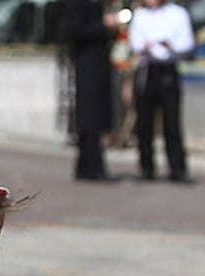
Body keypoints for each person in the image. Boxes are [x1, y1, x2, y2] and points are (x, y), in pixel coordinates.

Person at [128, 0, 195, 182]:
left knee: (171, 123)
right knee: (144, 122)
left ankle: (177, 168)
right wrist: (160, 45)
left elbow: (184, 44)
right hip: (146, 72)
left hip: (168, 72)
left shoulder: (177, 14)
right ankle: (146, 167)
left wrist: (157, 47)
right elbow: (136, 44)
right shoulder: (140, 15)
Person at [59, 0, 121, 181]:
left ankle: (89, 165)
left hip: (97, 62)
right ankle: (91, 166)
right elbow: (75, 30)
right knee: (90, 116)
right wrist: (104, 25)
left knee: (96, 116)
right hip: (87, 64)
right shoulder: (78, 5)